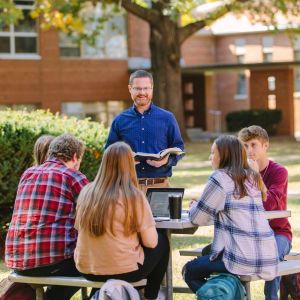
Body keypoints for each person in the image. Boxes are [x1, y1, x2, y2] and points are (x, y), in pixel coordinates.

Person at [183, 135, 279, 294]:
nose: (210, 157)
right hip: (266, 256)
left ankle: (226, 296)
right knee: (208, 252)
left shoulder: (220, 177)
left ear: (225, 155)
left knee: (189, 271)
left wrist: (196, 206)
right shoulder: (252, 176)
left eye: (213, 153)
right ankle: (231, 293)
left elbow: (197, 218)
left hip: (241, 259)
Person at [74, 141, 170, 300]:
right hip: (124, 271)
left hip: (87, 270)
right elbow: (151, 243)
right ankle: (150, 295)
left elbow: (79, 229)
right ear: (129, 165)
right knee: (162, 241)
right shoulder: (133, 196)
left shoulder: (86, 192)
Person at [5, 134, 89, 300]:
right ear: (74, 156)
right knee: (93, 263)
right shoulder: (73, 176)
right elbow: (97, 214)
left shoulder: (28, 173)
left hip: (18, 263)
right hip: (50, 263)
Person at [105, 69, 184, 193]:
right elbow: (108, 153)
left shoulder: (167, 118)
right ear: (130, 89)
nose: (142, 92)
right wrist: (124, 159)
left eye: (146, 88)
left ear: (152, 88)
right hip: (128, 188)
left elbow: (179, 148)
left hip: (159, 187)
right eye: (137, 88)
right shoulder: (120, 120)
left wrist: (166, 160)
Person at [238, 125, 292, 300]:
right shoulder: (240, 174)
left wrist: (255, 176)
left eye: (253, 145)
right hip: (250, 234)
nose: (249, 150)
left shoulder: (279, 172)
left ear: (265, 145)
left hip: (278, 233)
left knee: (272, 256)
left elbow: (268, 205)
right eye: (245, 146)